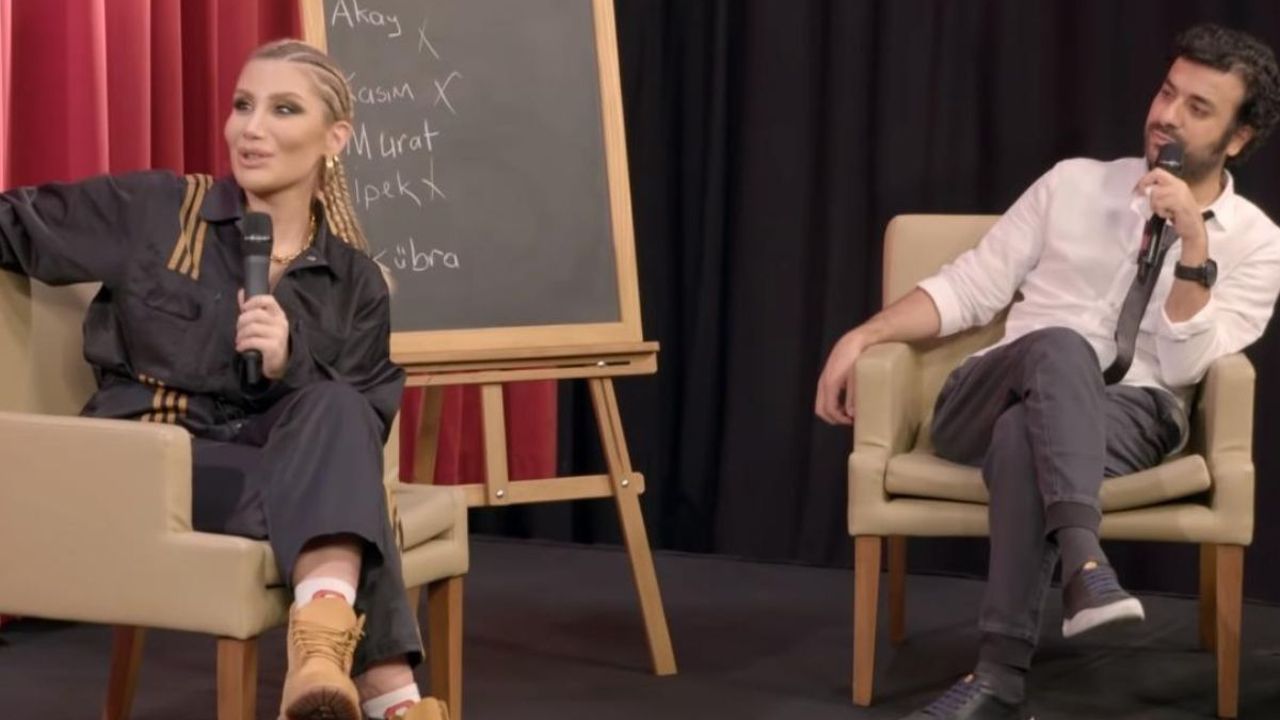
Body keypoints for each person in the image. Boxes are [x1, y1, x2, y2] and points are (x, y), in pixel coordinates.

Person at [815, 23, 1280, 720]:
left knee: (1021, 437)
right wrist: (863, 334)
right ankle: (1086, 562)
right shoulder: (1072, 183)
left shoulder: (1259, 243)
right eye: (1167, 93)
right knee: (1059, 346)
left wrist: (1193, 244)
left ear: (1238, 138)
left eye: (1197, 108)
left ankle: (998, 678)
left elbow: (1188, 363)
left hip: (1132, 414)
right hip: (991, 388)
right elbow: (970, 286)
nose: (1167, 116)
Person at [0, 40, 447, 720]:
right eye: (243, 106)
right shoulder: (156, 210)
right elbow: (13, 226)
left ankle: (323, 657)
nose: (251, 129)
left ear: (335, 138)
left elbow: (364, 420)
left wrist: (290, 363)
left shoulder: (356, 282)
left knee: (337, 411)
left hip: (271, 468)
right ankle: (390, 700)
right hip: (151, 466)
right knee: (350, 509)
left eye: (283, 109)